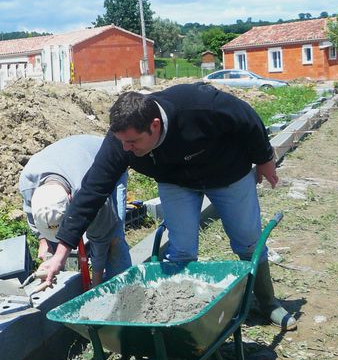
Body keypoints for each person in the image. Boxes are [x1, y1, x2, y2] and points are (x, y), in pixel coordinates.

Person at [41, 84, 296, 330]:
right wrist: (61, 253)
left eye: (133, 142)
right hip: (176, 181)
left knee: (248, 242)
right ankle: (187, 309)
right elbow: (92, 191)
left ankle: (267, 302)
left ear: (154, 125)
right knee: (182, 249)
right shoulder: (122, 141)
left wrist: (264, 159)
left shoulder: (198, 105)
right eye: (123, 143)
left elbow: (246, 118)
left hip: (227, 173)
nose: (126, 149)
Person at [18, 134, 131, 286]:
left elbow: (101, 238)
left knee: (114, 238)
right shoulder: (28, 184)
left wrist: (95, 285)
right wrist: (43, 241)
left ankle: (124, 290)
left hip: (108, 157)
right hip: (68, 157)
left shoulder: (88, 190)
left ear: (71, 199)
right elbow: (33, 216)